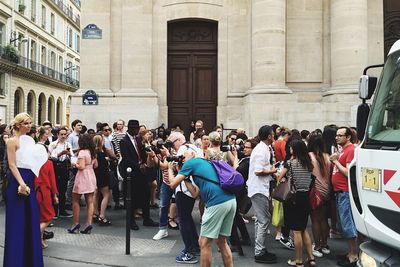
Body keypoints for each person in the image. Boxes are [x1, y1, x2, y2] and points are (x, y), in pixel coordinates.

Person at [168, 145, 237, 267]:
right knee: (221, 241)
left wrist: (169, 168)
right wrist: (184, 177)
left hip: (217, 203)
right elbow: (195, 193)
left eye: (185, 155)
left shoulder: (192, 163)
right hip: (230, 200)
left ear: (193, 154)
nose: (182, 158)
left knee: (204, 242)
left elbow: (172, 184)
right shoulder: (206, 164)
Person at [3, 112, 48, 267]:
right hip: (17, 181)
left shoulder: (30, 141)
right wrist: (21, 184)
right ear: (18, 124)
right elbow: (12, 165)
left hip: (29, 180)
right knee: (17, 224)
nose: (29, 126)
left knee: (31, 220)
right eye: (26, 123)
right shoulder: (12, 141)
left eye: (30, 123)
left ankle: (31, 262)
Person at [277, 139, 316, 267]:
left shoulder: (290, 163)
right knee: (303, 228)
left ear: (295, 150)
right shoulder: (309, 163)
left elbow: (279, 177)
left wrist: (282, 178)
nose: (290, 150)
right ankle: (311, 258)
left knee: (296, 231)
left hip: (293, 198)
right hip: (305, 197)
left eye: (292, 148)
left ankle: (298, 260)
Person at [119, 119, 158, 230]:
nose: (137, 131)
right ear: (130, 129)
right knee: (131, 197)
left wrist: (144, 162)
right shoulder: (124, 141)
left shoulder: (137, 139)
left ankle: (147, 218)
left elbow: (142, 153)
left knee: (146, 194)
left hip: (141, 172)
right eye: (135, 129)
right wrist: (138, 165)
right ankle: (131, 221)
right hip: (131, 172)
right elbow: (126, 158)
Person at [330, 127, 358, 266]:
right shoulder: (343, 150)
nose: (337, 137)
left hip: (345, 192)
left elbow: (348, 173)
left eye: (340, 135)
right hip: (339, 192)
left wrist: (335, 161)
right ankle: (350, 252)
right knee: (343, 224)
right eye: (336, 135)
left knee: (348, 224)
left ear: (348, 137)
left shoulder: (351, 149)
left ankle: (354, 254)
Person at [307, 132, 332, 258]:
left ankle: (317, 246)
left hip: (315, 192)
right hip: (327, 191)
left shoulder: (309, 157)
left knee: (315, 220)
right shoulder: (328, 157)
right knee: (324, 219)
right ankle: (325, 245)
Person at [68, 134, 98, 234]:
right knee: (90, 201)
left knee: (75, 199)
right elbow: (96, 165)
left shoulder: (82, 152)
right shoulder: (92, 152)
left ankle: (75, 223)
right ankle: (88, 223)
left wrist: (73, 163)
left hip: (82, 176)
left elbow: (81, 167)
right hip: (91, 175)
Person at [35, 127, 59, 249]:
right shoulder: (48, 163)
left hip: (35, 191)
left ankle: (40, 239)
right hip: (44, 192)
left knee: (39, 216)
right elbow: (52, 181)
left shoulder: (33, 163)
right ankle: (37, 236)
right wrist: (55, 195)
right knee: (49, 216)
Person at [49, 126, 73, 218]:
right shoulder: (53, 144)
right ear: (58, 135)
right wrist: (60, 154)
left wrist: (68, 154)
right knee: (55, 189)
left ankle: (62, 210)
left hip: (65, 167)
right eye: (61, 134)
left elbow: (72, 156)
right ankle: (54, 211)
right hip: (56, 167)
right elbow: (51, 157)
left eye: (64, 134)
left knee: (63, 189)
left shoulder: (68, 144)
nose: (63, 136)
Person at [93, 134, 112, 226]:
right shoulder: (101, 153)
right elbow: (103, 165)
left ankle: (95, 213)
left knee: (96, 193)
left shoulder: (93, 153)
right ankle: (102, 215)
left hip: (95, 175)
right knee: (106, 194)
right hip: (102, 175)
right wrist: (106, 160)